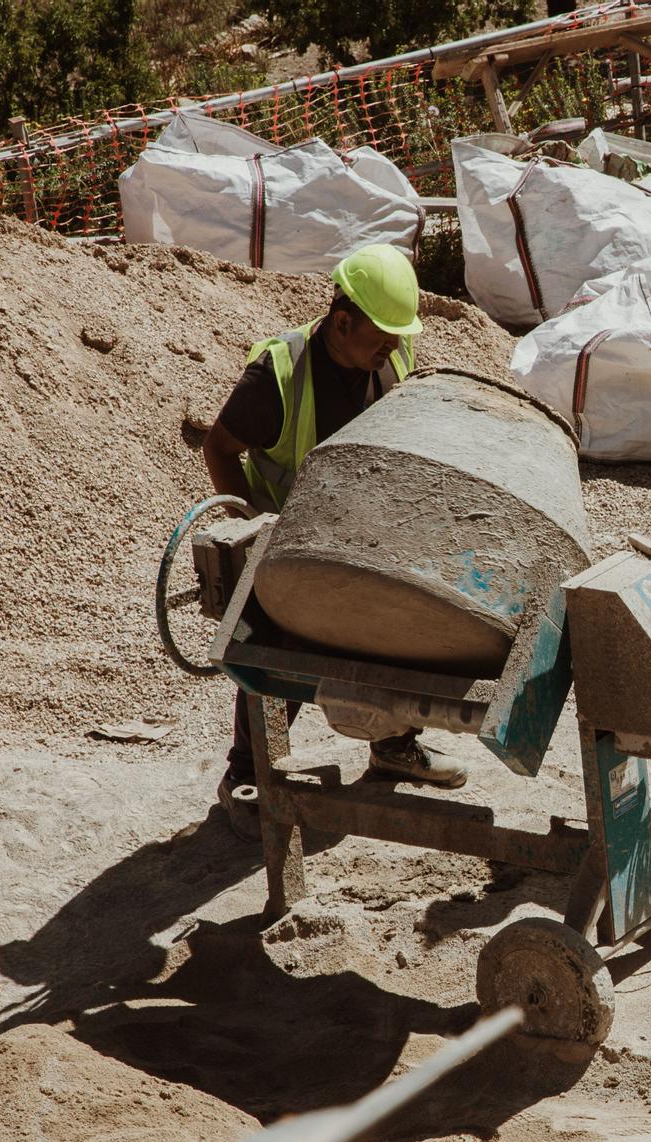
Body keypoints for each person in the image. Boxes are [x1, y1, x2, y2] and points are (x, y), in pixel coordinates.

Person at [201, 244, 463, 830]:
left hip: (361, 530)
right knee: (277, 657)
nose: (393, 347)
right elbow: (218, 448)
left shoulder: (388, 356)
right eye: (381, 335)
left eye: (399, 336)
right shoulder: (278, 376)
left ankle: (394, 746)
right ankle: (245, 774)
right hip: (288, 539)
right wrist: (251, 526)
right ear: (341, 322)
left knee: (393, 630)